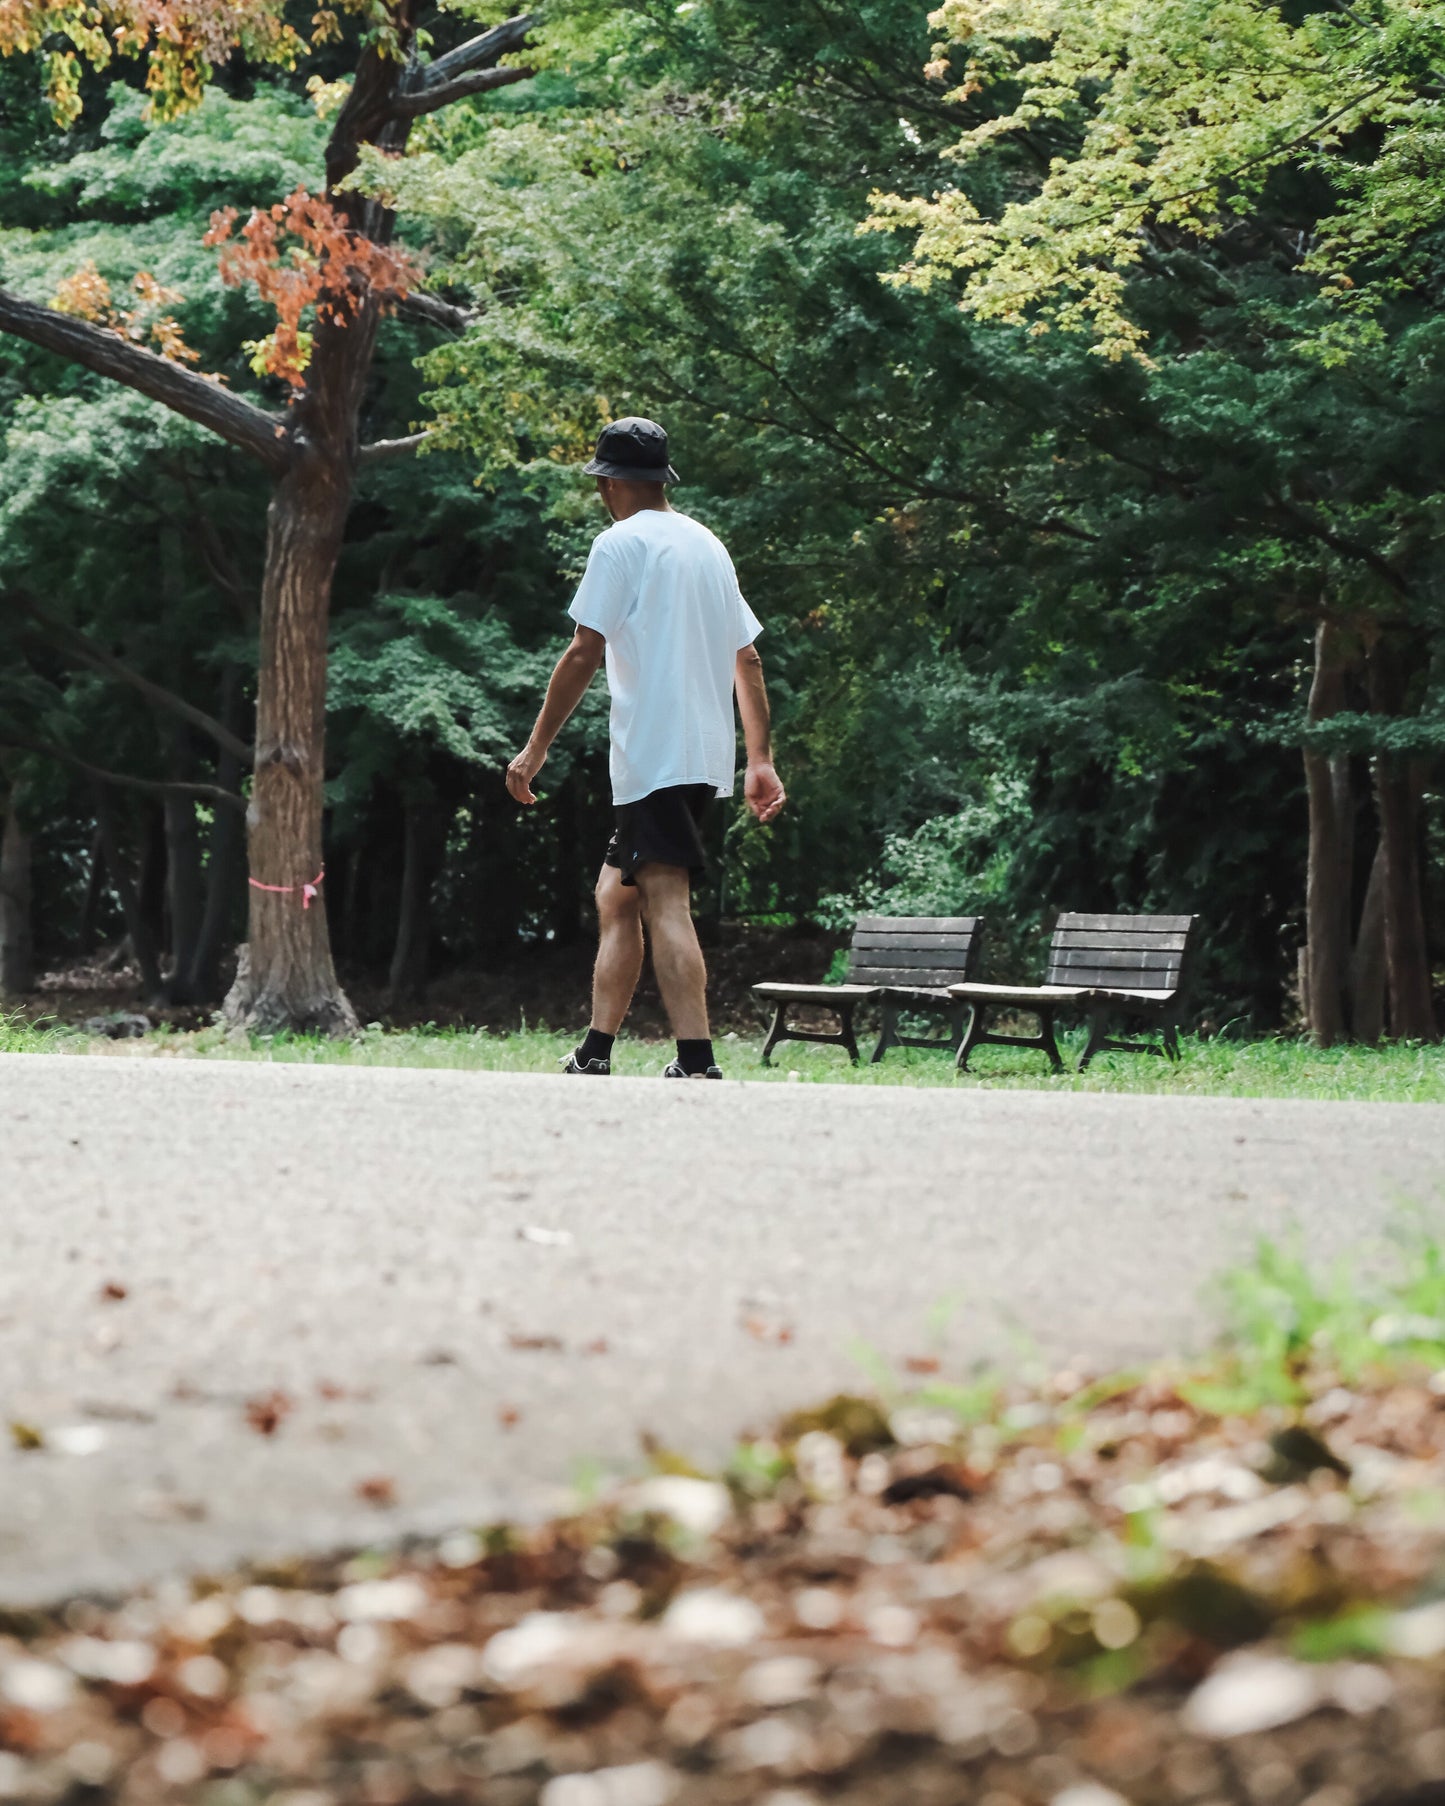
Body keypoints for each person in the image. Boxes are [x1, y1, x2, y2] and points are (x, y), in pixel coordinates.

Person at [506, 416, 785, 1079]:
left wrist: (534, 748)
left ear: (608, 483)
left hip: (655, 755)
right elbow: (746, 659)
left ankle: (696, 1059)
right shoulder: (706, 545)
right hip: (701, 755)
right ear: (662, 478)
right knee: (616, 895)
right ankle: (595, 1050)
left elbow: (583, 650)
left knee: (664, 898)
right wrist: (760, 759)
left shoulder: (619, 545)